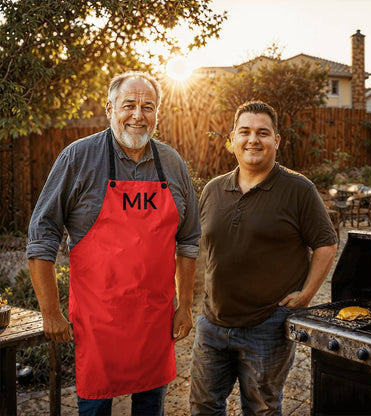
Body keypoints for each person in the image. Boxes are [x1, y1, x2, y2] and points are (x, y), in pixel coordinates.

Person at [27, 71, 200, 416]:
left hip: (153, 321)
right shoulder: (77, 159)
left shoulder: (173, 164)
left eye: (148, 107)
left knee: (151, 407)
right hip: (98, 323)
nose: (138, 115)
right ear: (109, 109)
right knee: (94, 409)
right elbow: (42, 234)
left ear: (157, 115)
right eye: (129, 105)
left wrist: (185, 304)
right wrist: (50, 311)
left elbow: (189, 238)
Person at [190, 101, 337, 415]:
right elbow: (205, 248)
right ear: (232, 139)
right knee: (203, 406)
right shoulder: (214, 190)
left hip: (267, 325)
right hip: (212, 324)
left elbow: (326, 244)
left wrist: (307, 293)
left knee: (261, 409)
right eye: (244, 132)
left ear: (277, 141)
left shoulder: (299, 190)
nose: (253, 140)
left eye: (262, 133)